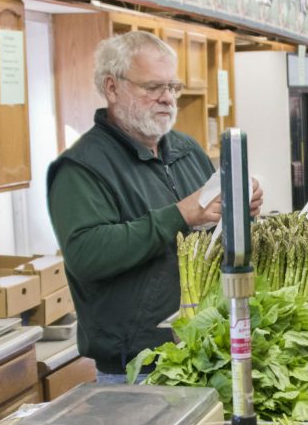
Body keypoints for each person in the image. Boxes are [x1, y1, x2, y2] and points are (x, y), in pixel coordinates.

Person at [48, 31, 262, 380]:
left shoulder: (187, 150)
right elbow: (86, 254)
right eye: (153, 88)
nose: (167, 98)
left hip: (207, 351)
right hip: (137, 369)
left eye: (173, 87)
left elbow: (212, 228)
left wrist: (241, 208)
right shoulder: (81, 168)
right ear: (112, 88)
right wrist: (178, 216)